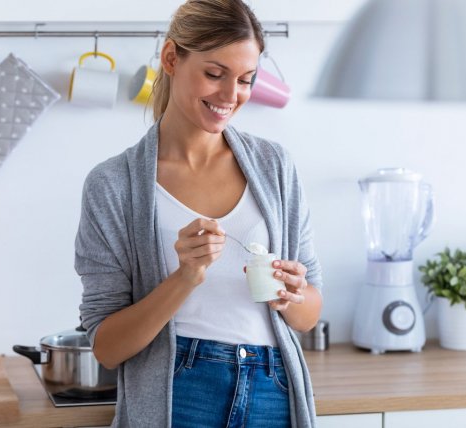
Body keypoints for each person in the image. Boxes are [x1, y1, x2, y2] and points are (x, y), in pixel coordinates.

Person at [75, 0, 323, 426]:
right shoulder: (113, 184)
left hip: (273, 388)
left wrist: (292, 295)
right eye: (214, 74)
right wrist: (184, 276)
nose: (231, 96)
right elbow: (107, 347)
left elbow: (310, 313)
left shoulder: (274, 167)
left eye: (246, 80)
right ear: (171, 58)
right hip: (179, 391)